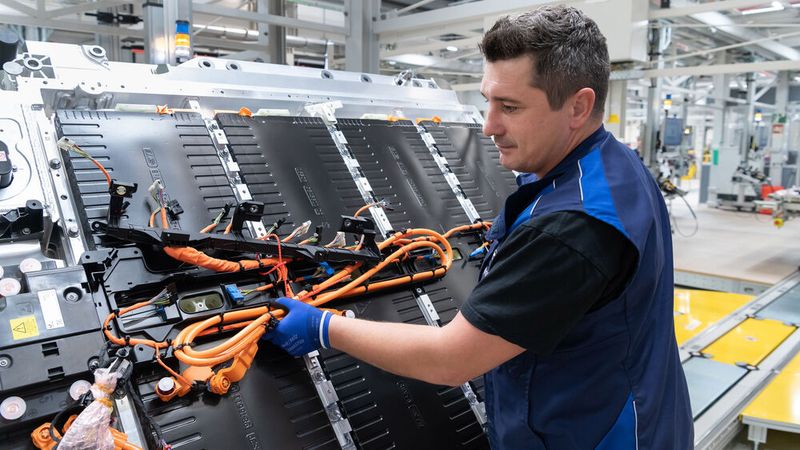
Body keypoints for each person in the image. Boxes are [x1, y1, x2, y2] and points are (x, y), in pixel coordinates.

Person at [264, 5, 693, 449]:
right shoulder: (611, 164)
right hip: (636, 412)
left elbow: (450, 361)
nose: (488, 126)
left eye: (510, 107)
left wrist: (323, 328)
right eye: (488, 100)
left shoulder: (572, 227)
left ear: (578, 107)